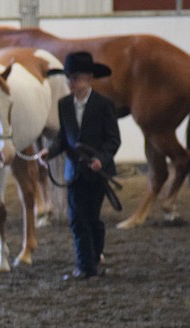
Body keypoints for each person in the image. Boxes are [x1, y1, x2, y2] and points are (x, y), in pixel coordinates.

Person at [40, 51, 121, 281]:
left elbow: (113, 139)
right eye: (69, 78)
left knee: (92, 219)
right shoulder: (64, 104)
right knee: (77, 220)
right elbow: (64, 138)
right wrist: (50, 151)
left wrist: (101, 160)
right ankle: (85, 266)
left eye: (74, 78)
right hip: (74, 171)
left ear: (87, 78)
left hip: (97, 171)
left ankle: (93, 260)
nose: (70, 82)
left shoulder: (104, 105)